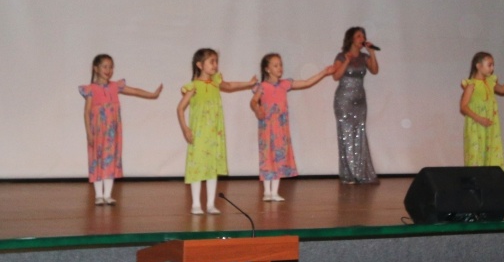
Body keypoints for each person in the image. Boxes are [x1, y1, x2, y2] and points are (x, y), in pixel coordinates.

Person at [177, 48, 256, 215]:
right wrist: (186, 129)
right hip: (199, 134)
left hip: (214, 134)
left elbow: (230, 85)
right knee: (197, 167)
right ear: (200, 65)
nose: (215, 65)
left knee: (212, 168)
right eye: (211, 61)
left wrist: (248, 83)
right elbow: (180, 108)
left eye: (216, 61)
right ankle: (196, 204)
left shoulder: (216, 81)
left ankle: (211, 204)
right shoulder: (193, 86)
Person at [79, 54, 162, 206]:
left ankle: (107, 195)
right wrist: (89, 133)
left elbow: (135, 91)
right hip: (98, 132)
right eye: (105, 66)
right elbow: (86, 112)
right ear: (96, 68)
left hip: (112, 133)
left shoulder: (115, 86)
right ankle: (98, 195)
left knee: (110, 160)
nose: (108, 70)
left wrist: (152, 94)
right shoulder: (91, 89)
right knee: (97, 160)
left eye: (111, 67)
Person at [250, 53, 334, 202]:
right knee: (267, 157)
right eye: (275, 65)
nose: (280, 68)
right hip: (267, 128)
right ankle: (267, 192)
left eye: (280, 65)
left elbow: (307, 82)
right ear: (267, 69)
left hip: (281, 129)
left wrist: (324, 72)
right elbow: (253, 101)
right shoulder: (262, 86)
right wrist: (257, 110)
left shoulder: (285, 84)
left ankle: (274, 192)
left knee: (279, 157)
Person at [332, 27, 379, 184]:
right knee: (346, 135)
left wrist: (371, 52)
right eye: (359, 36)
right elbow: (336, 76)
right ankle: (348, 174)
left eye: (363, 36)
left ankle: (360, 172)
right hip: (344, 100)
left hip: (360, 101)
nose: (362, 38)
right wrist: (346, 61)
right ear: (351, 39)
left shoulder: (364, 57)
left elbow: (375, 70)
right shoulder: (341, 56)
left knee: (359, 134)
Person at [459, 52, 504, 168]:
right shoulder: (471, 84)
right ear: (478, 66)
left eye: (493, 65)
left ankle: (489, 177)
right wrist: (479, 119)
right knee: (476, 153)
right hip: (476, 124)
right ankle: (475, 178)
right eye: (489, 65)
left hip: (490, 123)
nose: (492, 68)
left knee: (491, 152)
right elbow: (463, 106)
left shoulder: (490, 81)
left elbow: (502, 89)